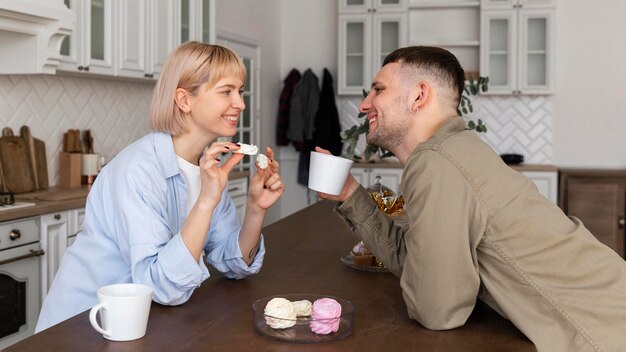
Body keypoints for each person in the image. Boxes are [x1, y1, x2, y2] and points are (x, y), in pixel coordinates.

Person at [317, 46, 626, 351]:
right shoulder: (454, 148)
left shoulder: (437, 162)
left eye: (378, 90)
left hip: (604, 334)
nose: (363, 105)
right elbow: (421, 266)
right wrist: (350, 193)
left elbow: (438, 310)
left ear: (418, 95)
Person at [36, 42, 285, 332]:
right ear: (184, 99)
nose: (240, 103)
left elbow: (233, 264)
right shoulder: (138, 171)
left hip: (143, 325)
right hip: (83, 326)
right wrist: (206, 202)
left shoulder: (206, 168)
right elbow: (162, 287)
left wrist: (256, 208)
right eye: (226, 91)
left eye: (240, 91)